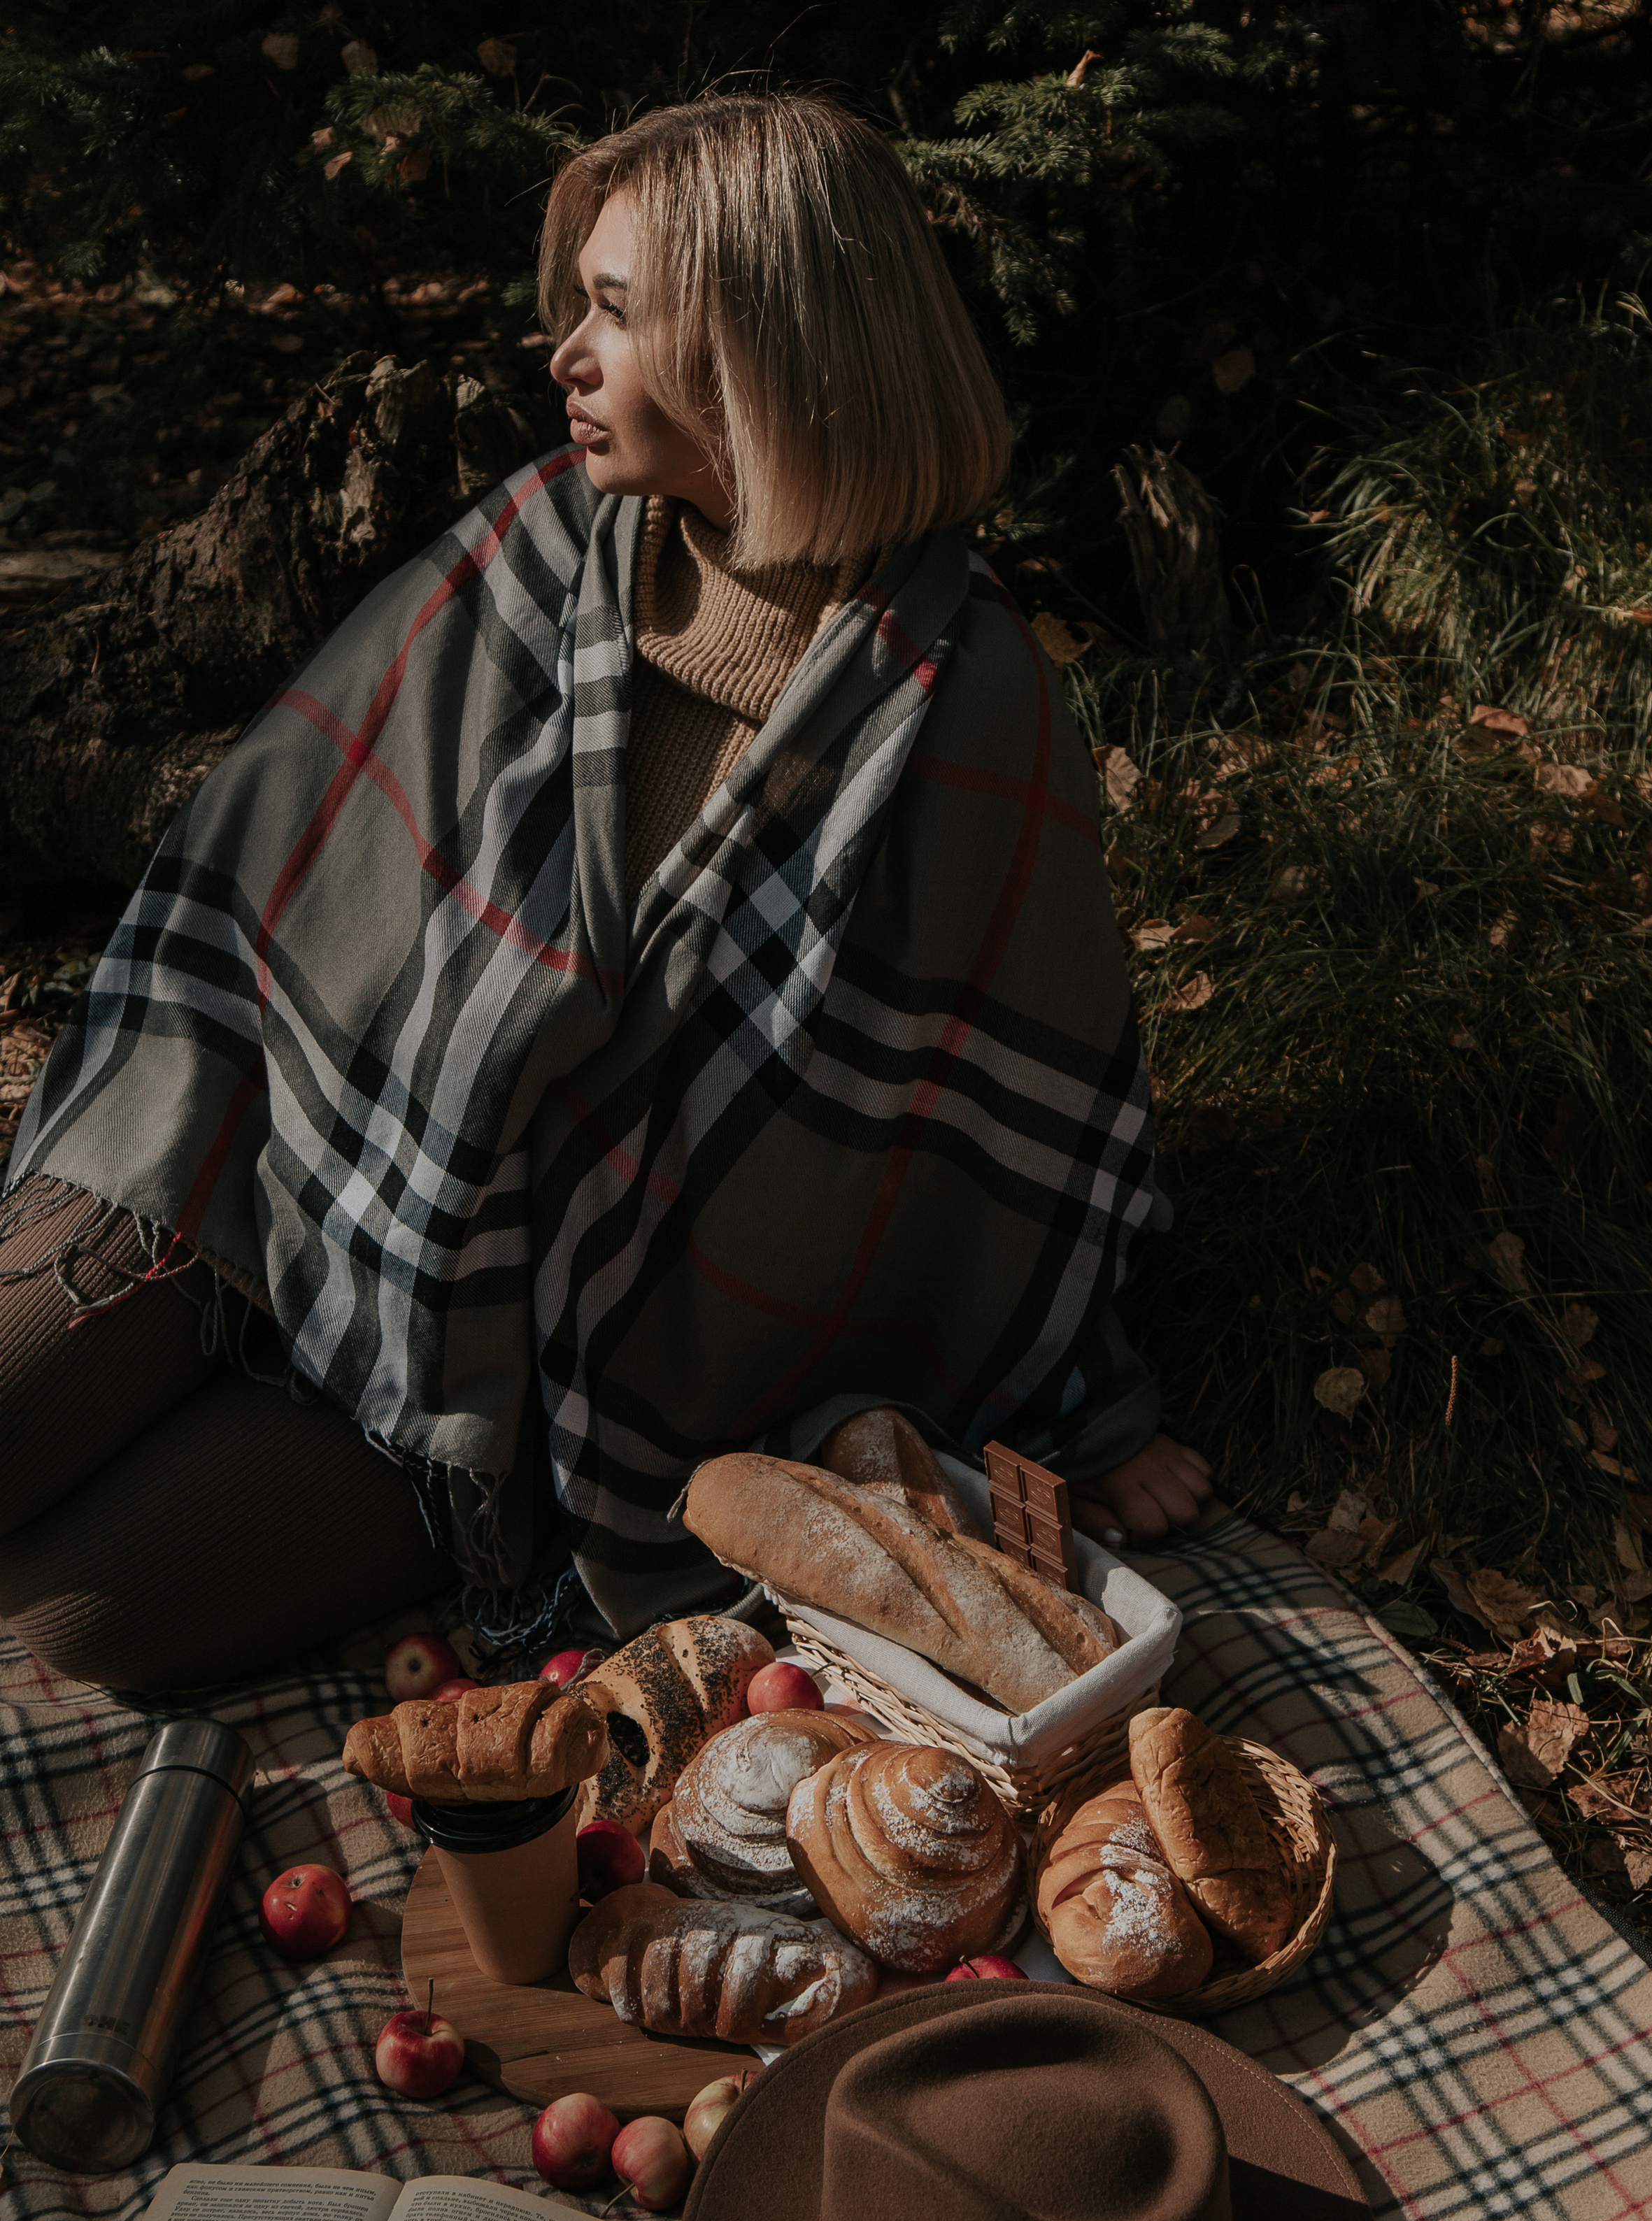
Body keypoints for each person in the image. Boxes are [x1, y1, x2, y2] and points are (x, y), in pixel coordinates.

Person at [0, 93, 1206, 1694]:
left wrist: (1089, 1411)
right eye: (577, 301)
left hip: (532, 1370)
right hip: (256, 1181)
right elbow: (276, 880)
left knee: (80, 1623)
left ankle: (387, 1436)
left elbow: (1006, 1103)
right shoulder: (541, 545)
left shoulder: (967, 707)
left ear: (761, 346)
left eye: (617, 313)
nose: (562, 350)